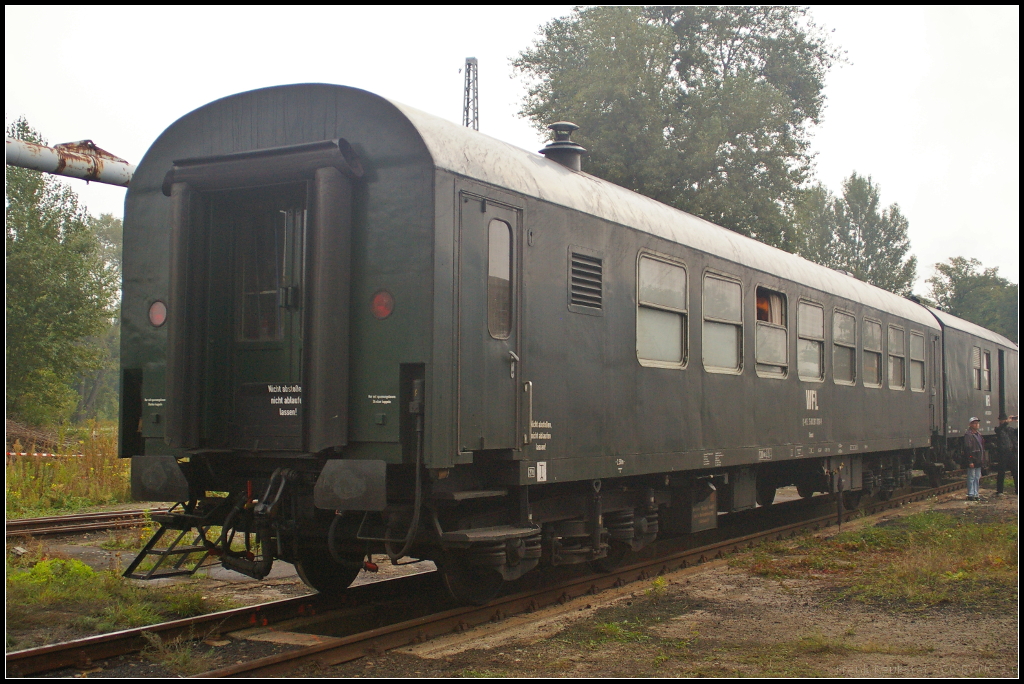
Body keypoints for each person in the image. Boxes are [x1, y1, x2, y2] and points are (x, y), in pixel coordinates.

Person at [993, 413, 1018, 495]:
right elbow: (999, 430)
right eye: (1002, 420)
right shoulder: (998, 429)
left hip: (1012, 453)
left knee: (1016, 471)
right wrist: (1007, 422)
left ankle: (1017, 489)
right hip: (1003, 454)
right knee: (1001, 472)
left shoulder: (1011, 430)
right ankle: (1000, 490)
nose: (1003, 421)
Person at [963, 417, 986, 501]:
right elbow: (967, 449)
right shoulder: (968, 435)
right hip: (973, 459)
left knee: (977, 477)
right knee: (971, 477)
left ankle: (976, 493)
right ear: (970, 424)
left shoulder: (979, 434)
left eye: (977, 423)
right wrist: (970, 461)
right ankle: (971, 494)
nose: (976, 425)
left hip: (978, 459)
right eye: (974, 423)